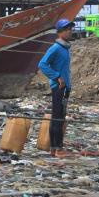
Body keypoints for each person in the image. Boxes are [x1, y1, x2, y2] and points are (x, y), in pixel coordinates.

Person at [38, 19, 75, 158]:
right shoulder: (55, 48)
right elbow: (42, 64)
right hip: (59, 87)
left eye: (71, 29)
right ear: (59, 33)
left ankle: (54, 149)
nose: (70, 32)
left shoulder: (65, 48)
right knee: (58, 118)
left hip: (65, 87)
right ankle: (58, 149)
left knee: (59, 117)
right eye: (67, 30)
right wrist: (57, 77)